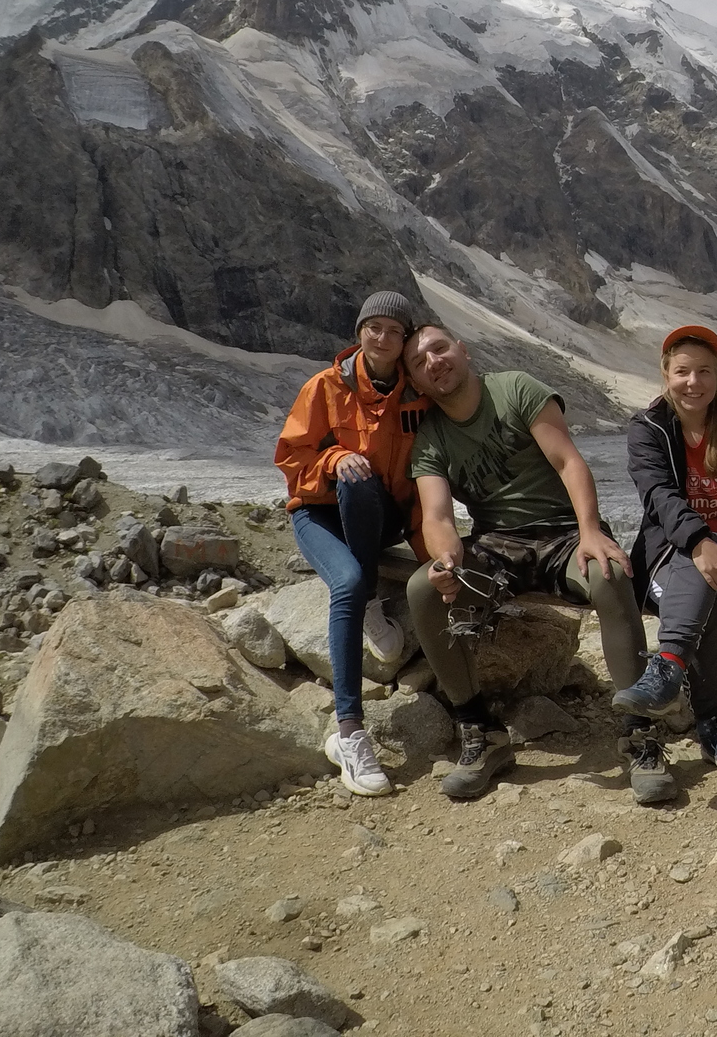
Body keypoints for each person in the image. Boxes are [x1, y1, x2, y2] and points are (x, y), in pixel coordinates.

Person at [401, 324, 663, 803]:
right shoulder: (431, 439)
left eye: (439, 348)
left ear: (463, 348)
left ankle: (639, 733)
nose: (434, 362)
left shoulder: (517, 389)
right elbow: (436, 515)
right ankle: (482, 733)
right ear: (416, 382)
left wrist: (590, 530)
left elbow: (568, 462)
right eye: (419, 362)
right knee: (423, 589)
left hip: (565, 532)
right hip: (499, 546)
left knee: (609, 573)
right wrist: (446, 559)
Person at [275, 291, 429, 797]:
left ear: (405, 339)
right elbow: (292, 459)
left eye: (393, 331)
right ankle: (349, 732)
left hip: (376, 518)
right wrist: (333, 459)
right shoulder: (323, 387)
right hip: (318, 513)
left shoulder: (415, 399)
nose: (382, 338)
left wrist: (433, 557)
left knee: (364, 490)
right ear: (359, 332)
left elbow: (423, 482)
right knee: (349, 581)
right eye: (373, 328)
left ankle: (364, 597)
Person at [615, 325, 717, 776]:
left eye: (704, 371)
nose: (694, 382)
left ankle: (666, 671)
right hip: (672, 558)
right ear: (666, 374)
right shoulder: (648, 430)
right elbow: (659, 496)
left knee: (708, 571)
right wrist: (699, 541)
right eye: (683, 371)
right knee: (704, 590)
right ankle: (711, 721)